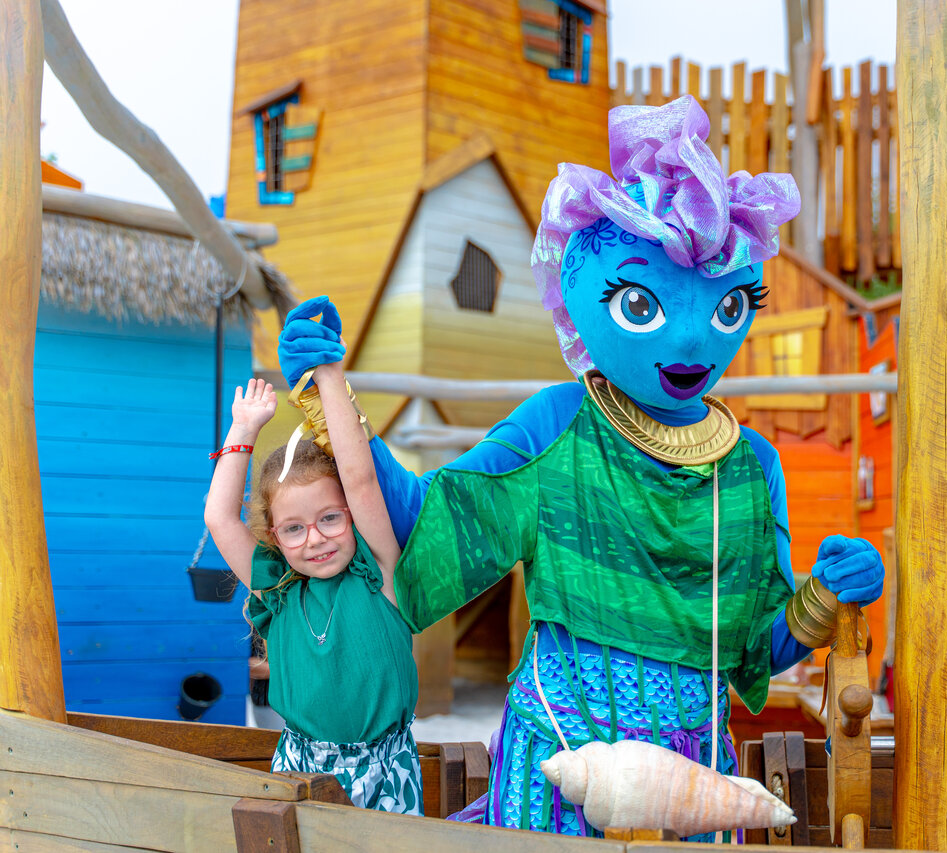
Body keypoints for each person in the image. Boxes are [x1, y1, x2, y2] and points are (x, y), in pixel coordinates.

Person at [277, 96, 884, 839]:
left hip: (697, 792)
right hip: (556, 777)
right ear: (579, 294)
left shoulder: (751, 467)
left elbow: (759, 642)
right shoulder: (557, 429)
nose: (693, 339)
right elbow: (426, 521)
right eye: (640, 302)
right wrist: (329, 395)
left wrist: (825, 596)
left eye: (726, 307)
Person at [203, 364, 423, 815]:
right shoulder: (279, 592)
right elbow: (220, 519)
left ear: (351, 515)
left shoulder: (378, 577)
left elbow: (359, 477)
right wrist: (243, 428)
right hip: (297, 769)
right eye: (293, 528)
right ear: (275, 539)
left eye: (330, 518)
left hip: (386, 770)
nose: (315, 539)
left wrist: (327, 376)